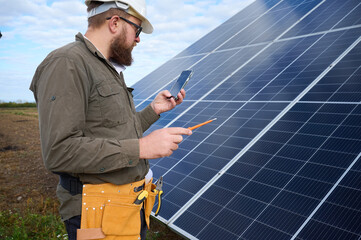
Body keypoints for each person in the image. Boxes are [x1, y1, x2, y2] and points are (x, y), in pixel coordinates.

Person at [30, 0, 192, 239]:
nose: (138, 39)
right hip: (98, 213)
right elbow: (59, 151)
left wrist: (154, 110)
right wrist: (142, 147)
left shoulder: (107, 68)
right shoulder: (67, 63)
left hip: (125, 207)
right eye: (137, 30)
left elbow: (114, 131)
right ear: (115, 22)